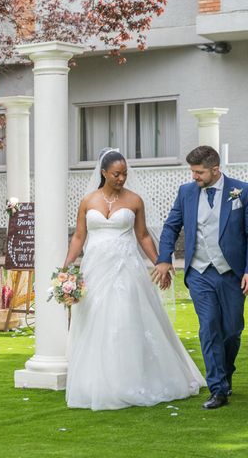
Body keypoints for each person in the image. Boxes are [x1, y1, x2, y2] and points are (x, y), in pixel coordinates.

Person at [64, 148, 205, 411]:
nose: (121, 179)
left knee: (124, 318)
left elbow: (142, 236)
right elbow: (79, 237)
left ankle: (130, 378)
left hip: (125, 268)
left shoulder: (134, 200)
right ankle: (95, 381)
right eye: (117, 174)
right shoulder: (88, 201)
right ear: (104, 173)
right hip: (94, 269)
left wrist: (160, 262)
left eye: (125, 174)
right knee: (94, 320)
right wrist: (67, 265)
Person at [153, 145, 248, 409]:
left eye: (199, 172)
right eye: (192, 171)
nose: (194, 176)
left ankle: (225, 373)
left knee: (232, 330)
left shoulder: (241, 190)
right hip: (199, 273)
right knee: (208, 327)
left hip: (231, 273)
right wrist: (164, 258)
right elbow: (172, 225)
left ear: (215, 169)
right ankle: (217, 388)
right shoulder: (186, 193)